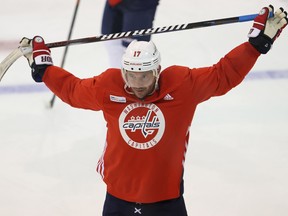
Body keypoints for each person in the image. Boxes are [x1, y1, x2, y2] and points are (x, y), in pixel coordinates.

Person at [19, 5, 287, 216]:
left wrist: (255, 46)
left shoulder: (182, 85)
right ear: (123, 71)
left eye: (144, 77)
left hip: (166, 201)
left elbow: (223, 75)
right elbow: (74, 91)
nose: (136, 85)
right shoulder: (108, 86)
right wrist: (45, 69)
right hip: (117, 200)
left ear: (157, 71)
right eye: (131, 77)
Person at [101, 0, 160, 67]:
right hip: (113, 2)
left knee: (136, 52)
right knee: (110, 41)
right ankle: (118, 74)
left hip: (140, 3)